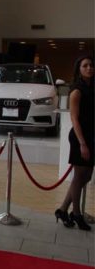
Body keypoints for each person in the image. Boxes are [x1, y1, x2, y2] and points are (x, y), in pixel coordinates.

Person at [55, 55, 94, 230]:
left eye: (91, 65)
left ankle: (63, 210)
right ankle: (76, 214)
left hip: (92, 136)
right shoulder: (76, 90)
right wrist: (82, 144)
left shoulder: (92, 87)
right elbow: (74, 119)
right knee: (79, 176)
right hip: (80, 137)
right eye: (85, 65)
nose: (89, 68)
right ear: (79, 69)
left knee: (86, 176)